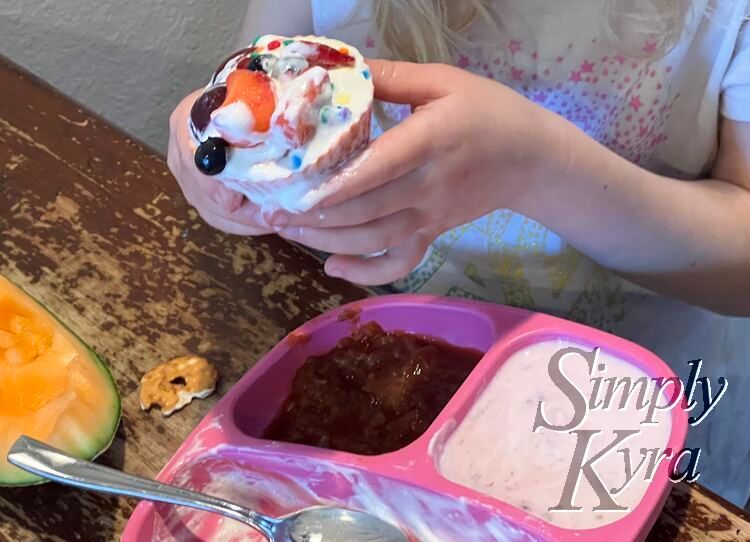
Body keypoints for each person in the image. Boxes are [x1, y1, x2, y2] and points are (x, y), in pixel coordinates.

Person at [168, 0, 750, 506]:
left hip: (629, 414)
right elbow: (254, 88)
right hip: (386, 373)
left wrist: (536, 169)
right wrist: (218, 150)